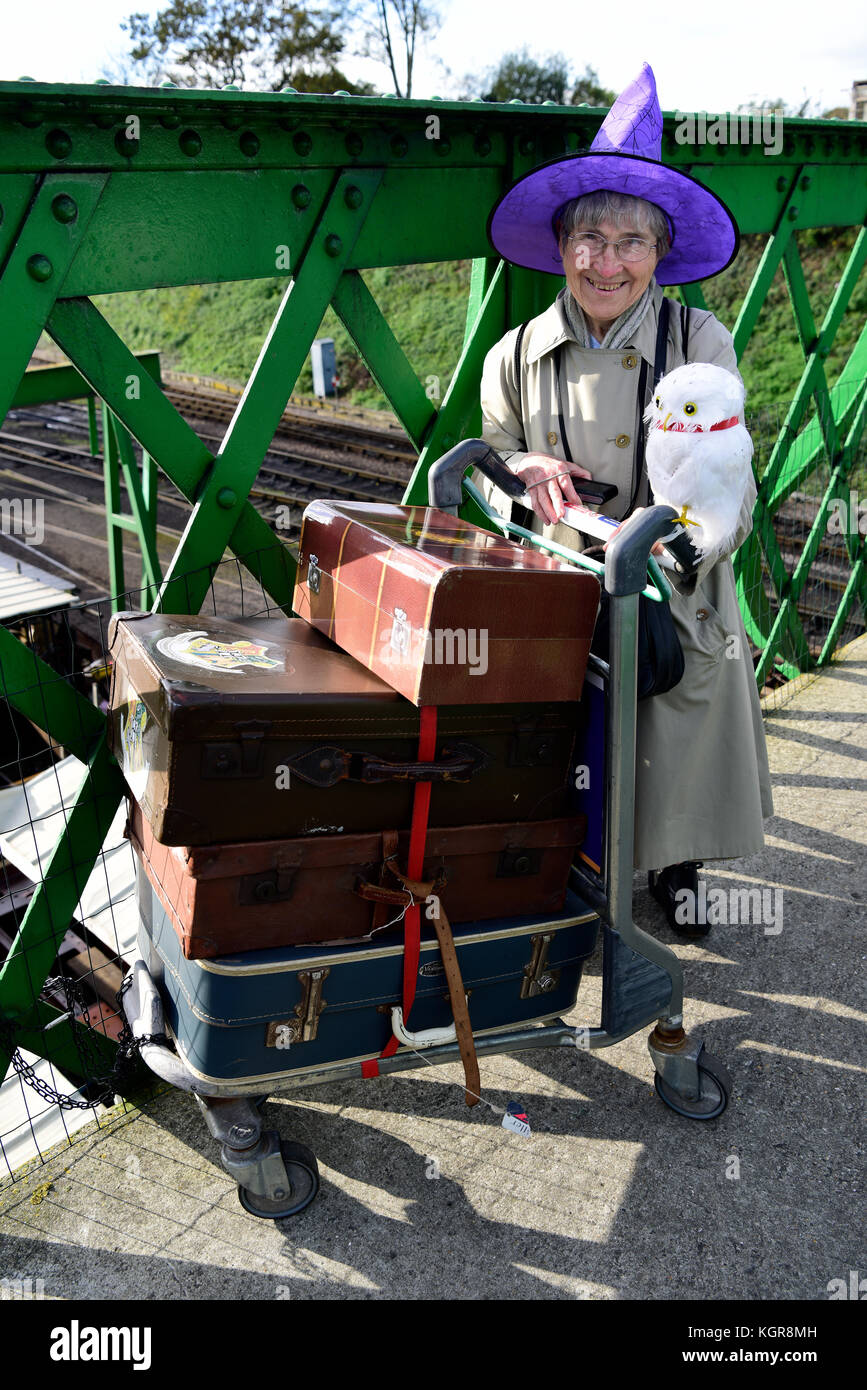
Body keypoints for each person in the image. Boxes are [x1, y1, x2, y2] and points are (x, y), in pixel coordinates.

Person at [479, 63, 773, 937]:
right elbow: (492, 459)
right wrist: (523, 467)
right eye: (590, 239)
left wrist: (696, 544)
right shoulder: (514, 352)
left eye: (630, 243)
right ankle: (578, 871)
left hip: (674, 582)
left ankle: (677, 868)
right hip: (565, 578)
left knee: (673, 731)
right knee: (578, 738)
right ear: (562, 245)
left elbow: (730, 472)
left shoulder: (697, 338)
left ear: (657, 254)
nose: (607, 263)